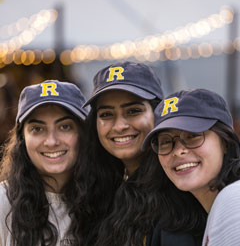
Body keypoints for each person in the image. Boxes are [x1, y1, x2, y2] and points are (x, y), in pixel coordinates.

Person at [76, 61, 203, 246]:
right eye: (106, 114)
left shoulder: (177, 189)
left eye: (133, 111)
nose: (120, 126)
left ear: (157, 114)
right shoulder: (101, 185)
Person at [142, 88, 240, 246]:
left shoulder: (237, 196)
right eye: (165, 142)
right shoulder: (198, 211)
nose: (179, 151)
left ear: (225, 142)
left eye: (192, 136)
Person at [0, 79, 88, 246]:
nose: (51, 141)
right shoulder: (3, 202)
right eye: (37, 129)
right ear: (22, 139)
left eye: (65, 127)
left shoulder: (109, 199)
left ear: (83, 134)